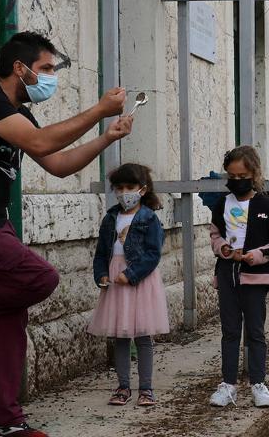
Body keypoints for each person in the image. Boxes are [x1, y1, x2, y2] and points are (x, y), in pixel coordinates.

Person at [0, 32, 133, 437]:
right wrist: (99, 110)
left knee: (8, 312)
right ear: (20, 68)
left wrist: (108, 136)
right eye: (47, 69)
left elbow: (58, 164)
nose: (52, 77)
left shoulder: (19, 112)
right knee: (37, 277)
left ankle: (3, 422)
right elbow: (39, 141)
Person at [208, 146, 269, 408]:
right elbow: (215, 234)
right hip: (228, 274)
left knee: (255, 331)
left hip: (255, 278)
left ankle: (258, 383)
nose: (237, 180)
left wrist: (257, 255)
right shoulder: (222, 203)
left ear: (253, 174)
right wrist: (223, 249)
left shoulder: (267, 206)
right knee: (229, 331)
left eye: (242, 175)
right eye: (231, 176)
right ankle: (228, 384)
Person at [87, 163, 169, 407]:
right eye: (119, 188)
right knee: (120, 336)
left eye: (130, 187)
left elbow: (153, 253)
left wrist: (132, 274)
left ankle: (146, 388)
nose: (125, 192)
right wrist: (101, 274)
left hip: (140, 281)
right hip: (115, 281)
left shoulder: (149, 218)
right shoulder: (111, 218)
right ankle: (123, 386)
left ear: (142, 189)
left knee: (143, 336)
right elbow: (101, 252)